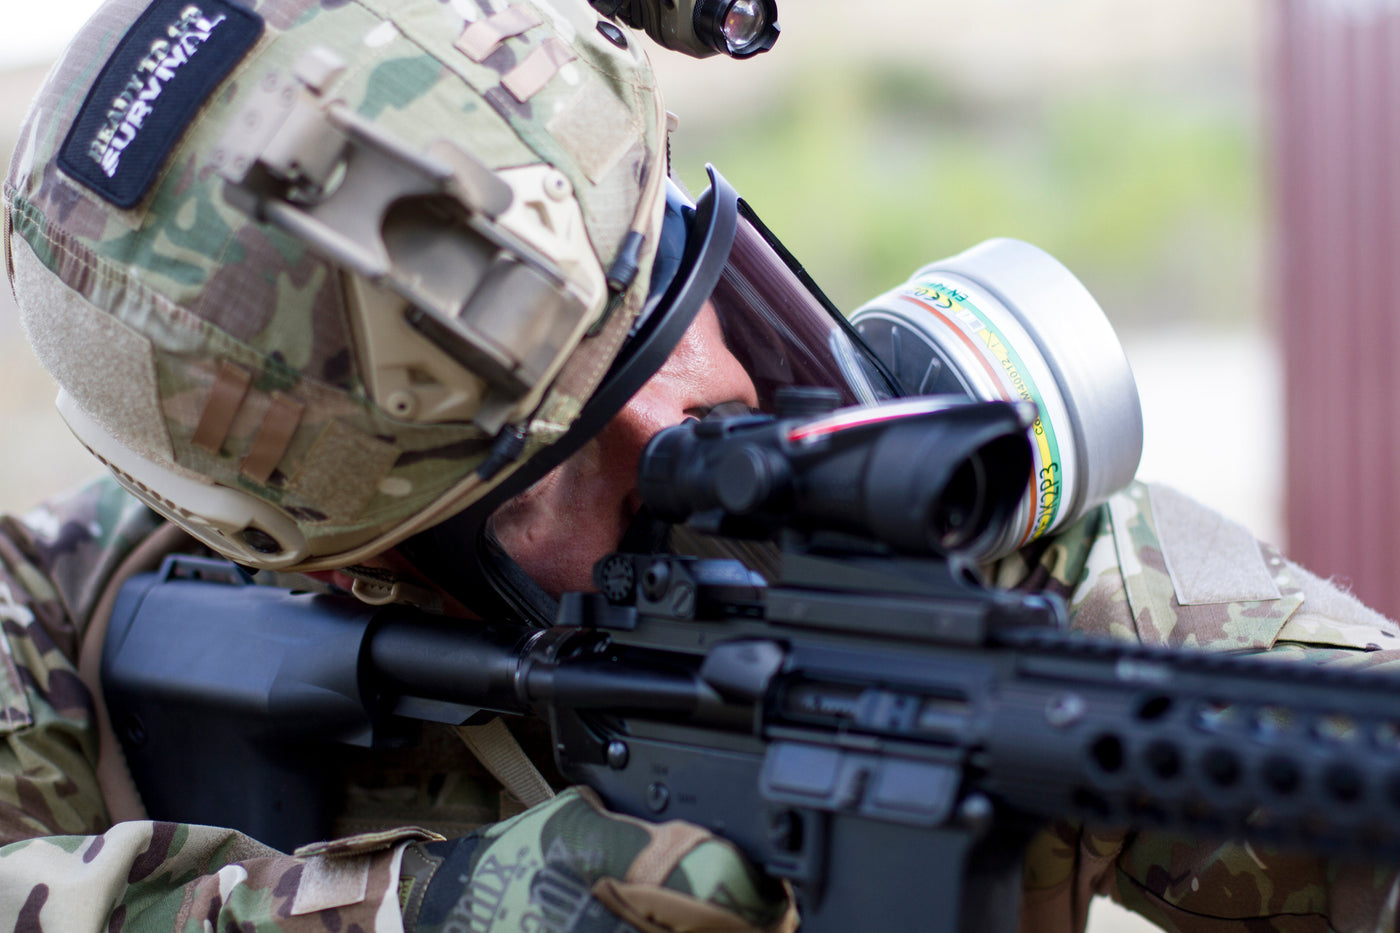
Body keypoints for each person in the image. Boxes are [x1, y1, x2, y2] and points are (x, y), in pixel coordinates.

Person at [1, 2, 1397, 933]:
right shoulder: (60, 613)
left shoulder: (986, 589)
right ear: (364, 568)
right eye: (549, 476)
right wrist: (421, 908)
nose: (703, 415)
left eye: (684, 291)